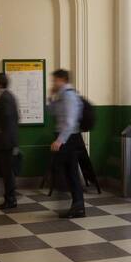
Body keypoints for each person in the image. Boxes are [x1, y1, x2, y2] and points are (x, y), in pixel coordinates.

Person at [48, 68, 85, 219]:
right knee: (69, 172)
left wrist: (59, 140)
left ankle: (78, 206)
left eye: (54, 80)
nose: (53, 83)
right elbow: (53, 112)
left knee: (70, 173)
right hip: (66, 137)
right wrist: (50, 98)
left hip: (69, 138)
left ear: (61, 79)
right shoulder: (61, 95)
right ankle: (77, 205)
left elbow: (69, 122)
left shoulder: (69, 96)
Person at [0, 72, 19, 210]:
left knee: (7, 172)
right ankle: (9, 197)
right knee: (5, 171)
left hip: (5, 142)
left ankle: (10, 199)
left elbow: (8, 119)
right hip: (7, 141)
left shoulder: (4, 97)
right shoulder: (9, 96)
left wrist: (2, 133)